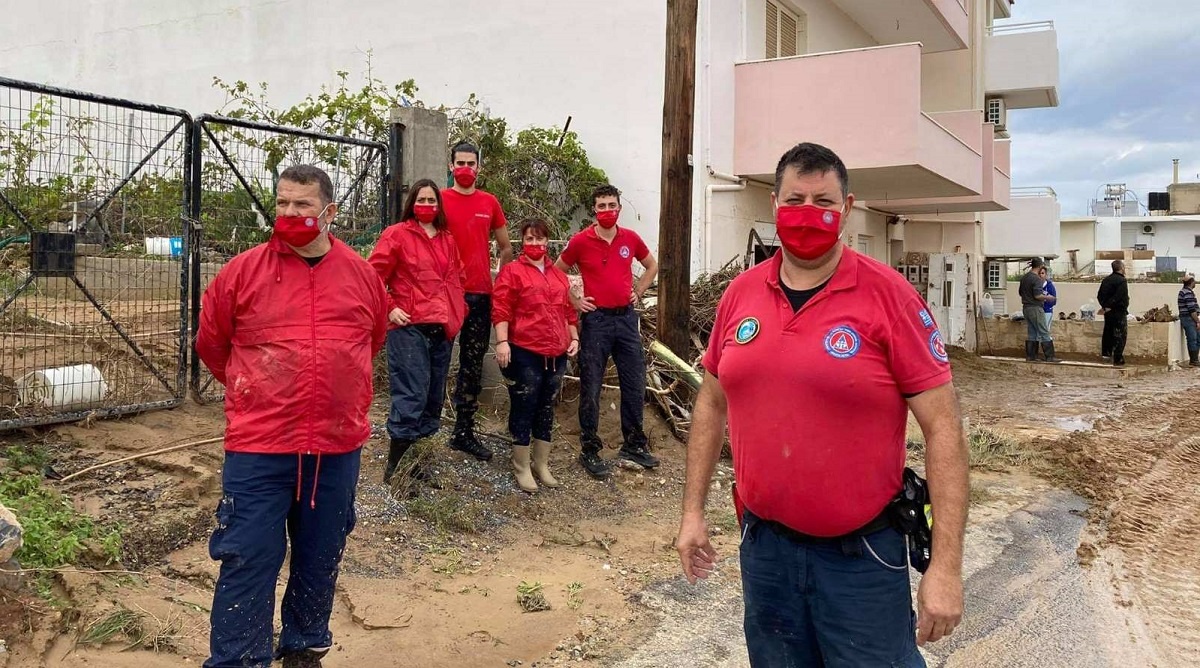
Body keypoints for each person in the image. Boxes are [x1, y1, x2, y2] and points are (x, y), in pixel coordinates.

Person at [675, 143, 967, 667]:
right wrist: (692, 512)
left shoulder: (890, 297)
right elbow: (712, 403)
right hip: (766, 553)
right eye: (795, 200)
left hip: (862, 560)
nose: (808, 213)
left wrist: (944, 568)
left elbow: (943, 428)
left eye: (823, 201)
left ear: (847, 208)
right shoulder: (740, 295)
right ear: (774, 205)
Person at [196, 165, 389, 668]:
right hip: (260, 446)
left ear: (329, 212)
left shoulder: (361, 275)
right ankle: (240, 660)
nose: (289, 213)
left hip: (335, 446)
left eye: (302, 205)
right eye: (282, 203)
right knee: (247, 557)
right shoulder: (242, 272)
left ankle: (305, 647)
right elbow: (213, 345)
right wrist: (258, 391)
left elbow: (371, 342)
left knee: (320, 556)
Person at [556, 185, 660, 479]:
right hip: (596, 321)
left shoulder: (630, 238)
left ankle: (634, 444)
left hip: (626, 320)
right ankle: (590, 448)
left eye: (611, 205)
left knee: (634, 382)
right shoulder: (580, 241)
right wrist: (575, 300)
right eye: (601, 206)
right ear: (594, 210)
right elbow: (556, 271)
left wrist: (639, 290)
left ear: (619, 208)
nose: (607, 211)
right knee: (591, 385)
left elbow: (651, 265)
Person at [368, 179, 467, 486]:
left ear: (439, 205)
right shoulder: (397, 234)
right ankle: (397, 471)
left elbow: (458, 277)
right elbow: (373, 275)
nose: (426, 205)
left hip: (442, 327)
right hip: (410, 326)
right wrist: (389, 307)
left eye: (431, 200)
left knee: (433, 399)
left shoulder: (447, 239)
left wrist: (458, 311)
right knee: (411, 396)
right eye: (421, 200)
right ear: (412, 203)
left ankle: (419, 465)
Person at [492, 219, 580, 492]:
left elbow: (567, 310)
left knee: (546, 406)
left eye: (539, 238)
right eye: (529, 238)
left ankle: (541, 463)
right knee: (525, 404)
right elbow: (501, 308)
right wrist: (502, 342)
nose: (535, 243)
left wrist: (574, 337)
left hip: (556, 353)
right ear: (522, 241)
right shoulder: (512, 272)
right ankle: (521, 465)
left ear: (547, 241)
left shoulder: (557, 275)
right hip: (525, 350)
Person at [442, 141, 513, 461]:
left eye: (470, 163)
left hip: (480, 294)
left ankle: (463, 432)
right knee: (437, 360)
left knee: (472, 365)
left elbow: (506, 246)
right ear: (451, 166)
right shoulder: (439, 200)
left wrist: (501, 279)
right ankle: (423, 431)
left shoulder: (489, 202)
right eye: (460, 163)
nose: (465, 169)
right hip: (445, 295)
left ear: (479, 168)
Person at [1018, 258, 1056, 362]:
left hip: (1026, 308)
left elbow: (1020, 293)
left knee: (1032, 332)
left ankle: (1031, 356)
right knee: (1044, 331)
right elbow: (1037, 295)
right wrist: (1048, 297)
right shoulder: (1036, 279)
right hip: (1035, 308)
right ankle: (1050, 357)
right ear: (1039, 266)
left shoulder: (1024, 278)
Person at [1097, 259, 1130, 366]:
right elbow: (1119, 296)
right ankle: (1118, 357)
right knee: (1120, 335)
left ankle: (1106, 354)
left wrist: (1105, 306)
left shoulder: (1106, 280)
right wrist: (1111, 306)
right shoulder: (1122, 281)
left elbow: (1100, 295)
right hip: (1118, 311)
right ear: (1121, 268)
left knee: (1108, 332)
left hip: (1108, 312)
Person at [1038, 265, 1060, 362]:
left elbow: (1054, 300)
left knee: (1045, 331)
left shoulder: (1050, 286)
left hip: (1047, 311)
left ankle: (1049, 355)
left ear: (1045, 274)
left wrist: (1046, 300)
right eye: (1039, 273)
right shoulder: (1036, 285)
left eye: (1042, 273)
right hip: (1037, 310)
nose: (1041, 275)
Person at [1178, 275, 1200, 367]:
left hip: (1191, 318)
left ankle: (1195, 359)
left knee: (1197, 338)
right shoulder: (1186, 293)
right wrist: (1197, 321)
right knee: (1192, 338)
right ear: (1191, 282)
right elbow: (1191, 309)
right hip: (1188, 318)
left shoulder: (1188, 292)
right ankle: (1193, 360)